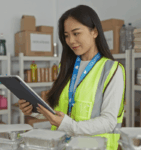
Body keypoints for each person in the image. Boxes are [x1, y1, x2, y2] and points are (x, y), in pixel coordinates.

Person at [18, 4, 125, 150]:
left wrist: (68, 125)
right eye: (66, 36)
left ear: (94, 32)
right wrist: (33, 110)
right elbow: (57, 108)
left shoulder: (112, 70)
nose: (71, 41)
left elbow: (108, 122)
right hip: (62, 145)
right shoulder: (66, 67)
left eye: (76, 33)